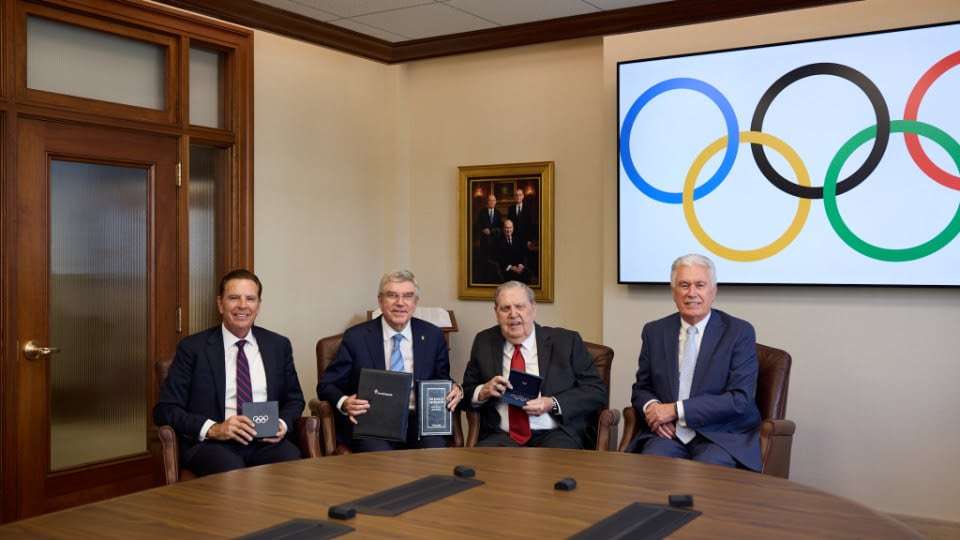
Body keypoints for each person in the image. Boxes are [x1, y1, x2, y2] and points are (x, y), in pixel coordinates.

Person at [154, 269, 306, 476]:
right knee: (231, 471)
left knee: (290, 461)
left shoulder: (278, 345)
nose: (243, 305)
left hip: (266, 442)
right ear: (220, 303)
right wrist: (215, 429)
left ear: (258, 305)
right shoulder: (193, 348)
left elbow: (295, 399)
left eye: (250, 299)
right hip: (214, 445)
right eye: (234, 298)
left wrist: (281, 424)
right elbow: (165, 409)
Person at [626, 254, 761, 470]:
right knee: (652, 468)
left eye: (700, 285)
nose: (692, 293)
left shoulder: (738, 332)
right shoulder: (654, 332)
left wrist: (675, 410)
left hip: (719, 436)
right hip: (667, 435)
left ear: (713, 291)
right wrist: (654, 409)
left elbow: (740, 399)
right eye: (684, 285)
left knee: (706, 473)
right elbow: (642, 388)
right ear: (673, 292)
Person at [317, 270, 464, 452]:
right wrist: (345, 402)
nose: (400, 303)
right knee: (380, 459)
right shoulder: (356, 337)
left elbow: (441, 379)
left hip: (419, 421)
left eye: (408, 296)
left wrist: (456, 388)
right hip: (373, 423)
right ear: (380, 300)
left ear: (415, 302)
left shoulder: (433, 335)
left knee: (435, 452)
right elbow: (326, 385)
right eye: (392, 295)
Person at [461, 281, 606, 448]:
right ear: (496, 312)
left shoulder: (566, 342)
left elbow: (597, 391)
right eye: (505, 308)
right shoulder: (484, 342)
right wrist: (483, 391)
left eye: (520, 306)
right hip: (502, 436)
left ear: (533, 308)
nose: (513, 314)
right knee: (484, 468)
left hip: (556, 433)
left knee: (558, 466)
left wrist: (552, 403)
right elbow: (466, 393)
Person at [497, 219, 530, 283]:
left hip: (518, 267)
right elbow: (499, 258)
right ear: (503, 228)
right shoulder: (498, 241)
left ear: (513, 228)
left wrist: (521, 265)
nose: (508, 230)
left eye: (510, 228)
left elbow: (522, 254)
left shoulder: (517, 239)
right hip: (507, 269)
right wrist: (511, 267)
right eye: (506, 228)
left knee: (527, 275)